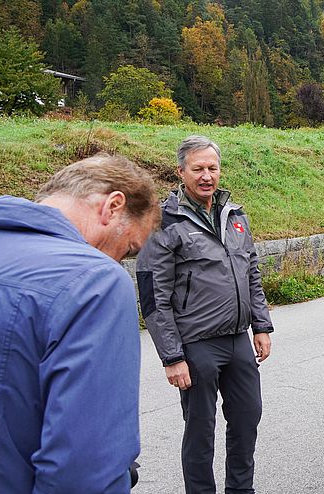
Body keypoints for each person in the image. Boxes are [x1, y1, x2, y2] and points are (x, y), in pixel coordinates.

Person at [0, 154, 159, 492]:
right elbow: (84, 468)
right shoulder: (94, 281)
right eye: (129, 248)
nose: (119, 259)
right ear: (113, 206)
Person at [136, 135, 274, 494]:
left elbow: (251, 272)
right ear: (181, 172)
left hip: (238, 340)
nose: (206, 175)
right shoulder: (164, 223)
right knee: (200, 430)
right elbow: (154, 297)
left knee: (247, 420)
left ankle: (241, 490)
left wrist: (261, 325)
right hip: (196, 345)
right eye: (198, 169)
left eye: (212, 168)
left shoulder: (235, 216)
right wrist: (172, 356)